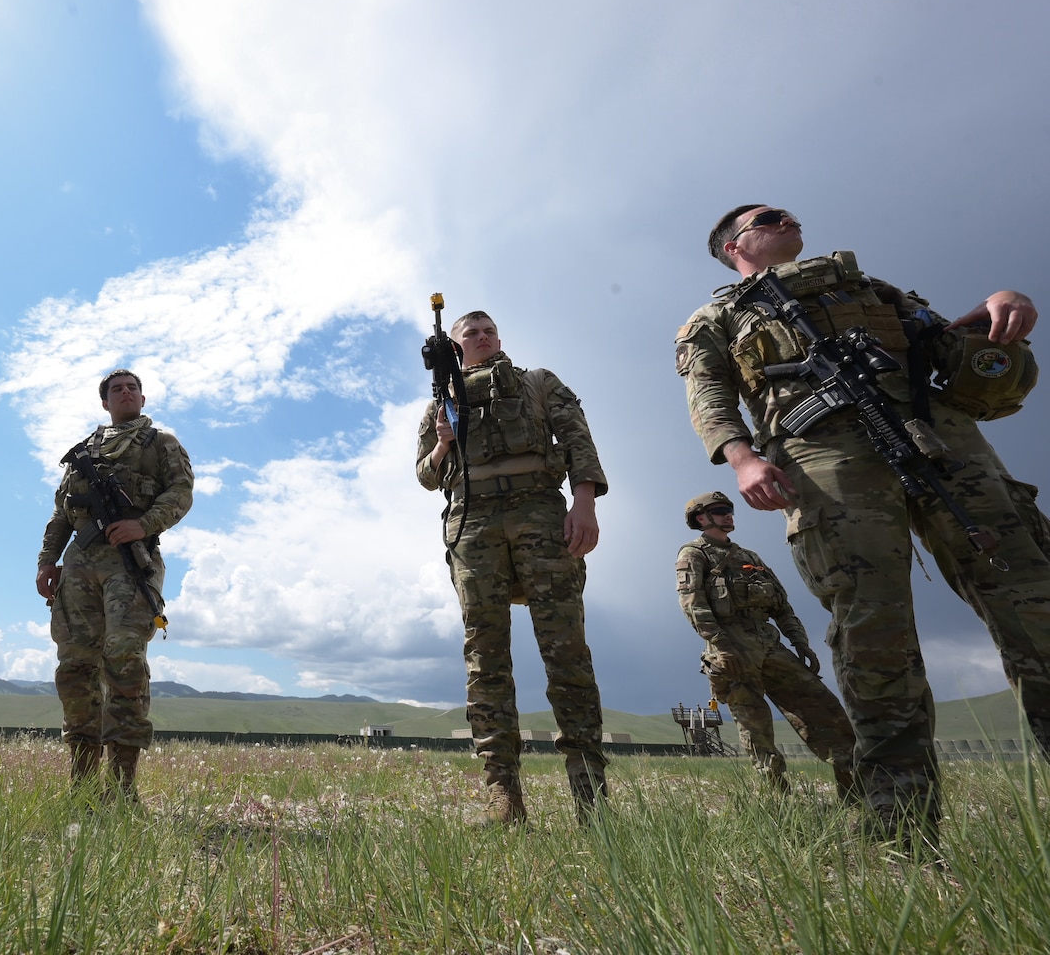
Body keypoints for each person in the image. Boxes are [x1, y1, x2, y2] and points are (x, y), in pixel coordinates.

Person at [677, 203, 1049, 845]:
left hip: (939, 438)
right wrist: (740, 458)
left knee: (1034, 599)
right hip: (823, 457)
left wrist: (1003, 302)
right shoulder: (715, 318)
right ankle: (905, 834)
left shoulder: (869, 288)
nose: (790, 220)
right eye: (770, 217)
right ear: (736, 244)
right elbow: (709, 394)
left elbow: (943, 337)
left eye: (791, 213)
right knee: (874, 632)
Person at [416, 311, 609, 824]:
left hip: (541, 513)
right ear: (456, 347)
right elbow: (425, 477)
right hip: (472, 522)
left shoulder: (538, 383)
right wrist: (443, 441)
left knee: (566, 650)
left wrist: (583, 504)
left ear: (498, 339)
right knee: (485, 654)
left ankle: (591, 798)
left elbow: (577, 439)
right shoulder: (441, 399)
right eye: (470, 334)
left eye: (488, 331)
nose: (481, 338)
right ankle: (503, 796)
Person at [36, 370, 194, 800]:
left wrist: (140, 525)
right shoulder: (83, 452)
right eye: (115, 389)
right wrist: (47, 562)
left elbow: (181, 494)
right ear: (105, 402)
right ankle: (83, 787)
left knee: (123, 659)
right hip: (79, 568)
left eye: (132, 388)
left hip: (130, 561)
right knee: (75, 667)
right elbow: (62, 514)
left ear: (142, 398)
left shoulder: (161, 443)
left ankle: (122, 788)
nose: (125, 393)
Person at [677, 492, 855, 797]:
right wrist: (720, 644)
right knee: (756, 728)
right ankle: (779, 802)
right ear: (701, 518)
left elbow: (781, 605)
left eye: (730, 510)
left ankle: (854, 789)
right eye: (720, 511)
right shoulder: (694, 555)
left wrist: (799, 643)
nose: (729, 515)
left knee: (822, 708)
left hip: (770, 644)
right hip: (732, 650)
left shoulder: (750, 557)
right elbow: (692, 603)